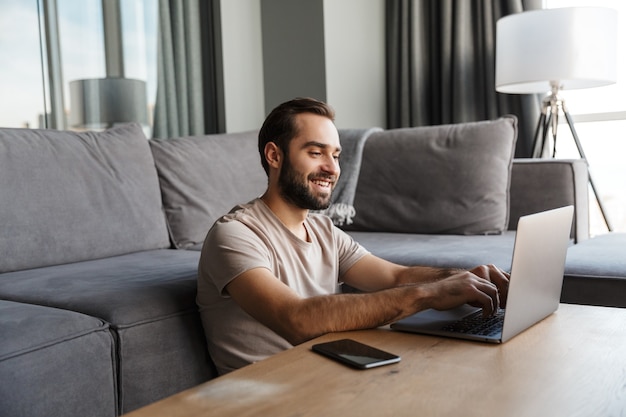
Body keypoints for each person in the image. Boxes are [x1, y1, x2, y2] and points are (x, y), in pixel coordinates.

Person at [197, 97, 509, 375]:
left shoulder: (323, 231)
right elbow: (296, 319)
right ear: (274, 156)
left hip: (330, 376)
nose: (331, 168)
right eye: (316, 152)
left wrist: (462, 278)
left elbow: (396, 276)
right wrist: (431, 294)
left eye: (336, 155)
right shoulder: (235, 234)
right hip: (267, 397)